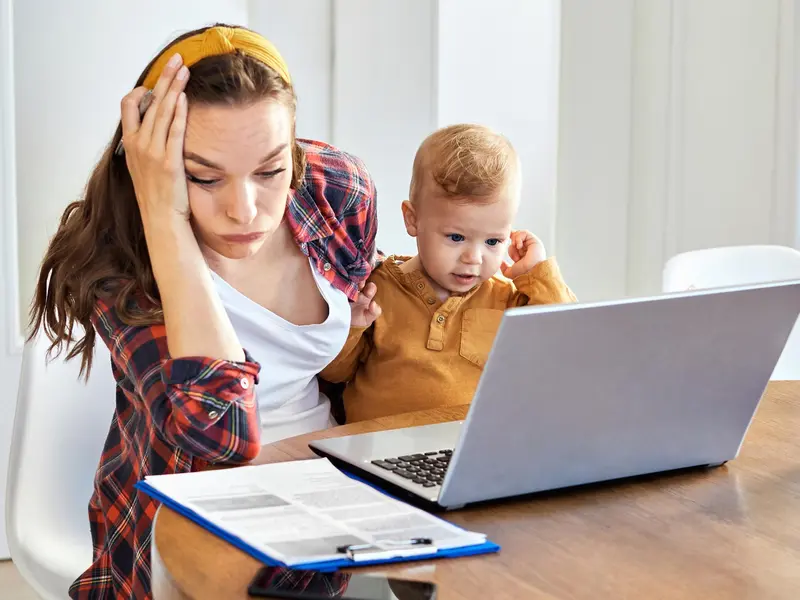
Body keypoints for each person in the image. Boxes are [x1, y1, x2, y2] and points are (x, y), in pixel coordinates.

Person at [29, 24, 377, 599]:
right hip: (193, 522)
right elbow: (221, 437)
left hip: (334, 490)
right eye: (204, 177)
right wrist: (166, 224)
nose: (245, 211)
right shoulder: (121, 262)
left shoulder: (334, 188)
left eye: (270, 171)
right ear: (153, 163)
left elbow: (357, 307)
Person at [321, 124, 576, 422]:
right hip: (375, 454)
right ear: (412, 219)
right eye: (456, 237)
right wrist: (351, 326)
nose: (474, 258)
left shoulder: (506, 298)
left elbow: (565, 342)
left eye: (493, 241)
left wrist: (537, 273)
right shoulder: (378, 289)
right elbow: (335, 373)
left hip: (470, 454)